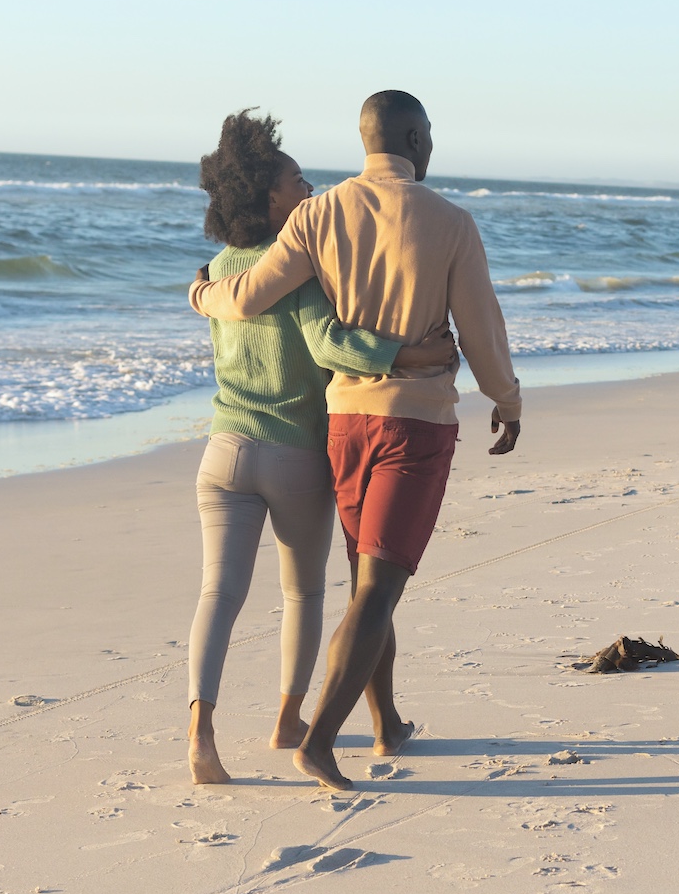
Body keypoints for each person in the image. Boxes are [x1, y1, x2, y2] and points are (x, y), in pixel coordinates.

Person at [189, 90, 524, 790]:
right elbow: (480, 325)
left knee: (369, 584)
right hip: (414, 423)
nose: (431, 145)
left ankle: (387, 721)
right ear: (413, 138)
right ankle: (317, 741)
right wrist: (506, 397)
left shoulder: (317, 215)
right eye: (428, 134)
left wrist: (201, 294)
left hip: (343, 425)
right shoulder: (452, 222)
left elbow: (248, 293)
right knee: (375, 587)